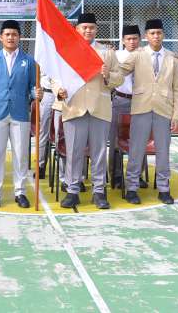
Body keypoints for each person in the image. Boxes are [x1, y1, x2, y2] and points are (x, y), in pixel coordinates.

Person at [54, 13, 123, 210]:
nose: (88, 30)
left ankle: (99, 191)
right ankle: (73, 190)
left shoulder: (106, 52)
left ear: (96, 29)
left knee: (99, 152)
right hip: (74, 106)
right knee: (74, 152)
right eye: (84, 27)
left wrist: (108, 75)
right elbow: (55, 76)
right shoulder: (66, 50)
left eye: (91, 27)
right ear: (77, 29)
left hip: (99, 107)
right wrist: (58, 89)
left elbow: (119, 78)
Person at [117, 18, 178, 205]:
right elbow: (121, 71)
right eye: (152, 33)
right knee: (136, 149)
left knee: (163, 150)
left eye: (159, 33)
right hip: (141, 108)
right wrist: (106, 71)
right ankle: (132, 188)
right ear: (146, 36)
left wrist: (176, 114)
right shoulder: (137, 55)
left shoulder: (172, 58)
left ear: (163, 35)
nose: (156, 36)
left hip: (164, 110)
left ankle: (163, 188)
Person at [0, 20, 39, 209]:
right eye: (7, 34)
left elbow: (32, 87)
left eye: (14, 34)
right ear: (1, 37)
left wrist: (36, 93)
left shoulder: (28, 61)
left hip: (20, 114)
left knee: (21, 155)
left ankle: (20, 191)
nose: (11, 37)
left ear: (19, 37)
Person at [108, 25, 141, 188]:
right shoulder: (116, 56)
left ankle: (137, 175)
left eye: (135, 38)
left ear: (140, 40)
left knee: (139, 139)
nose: (132, 42)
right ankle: (116, 175)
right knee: (115, 139)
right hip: (120, 100)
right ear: (123, 40)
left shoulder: (146, 56)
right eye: (128, 39)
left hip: (140, 102)